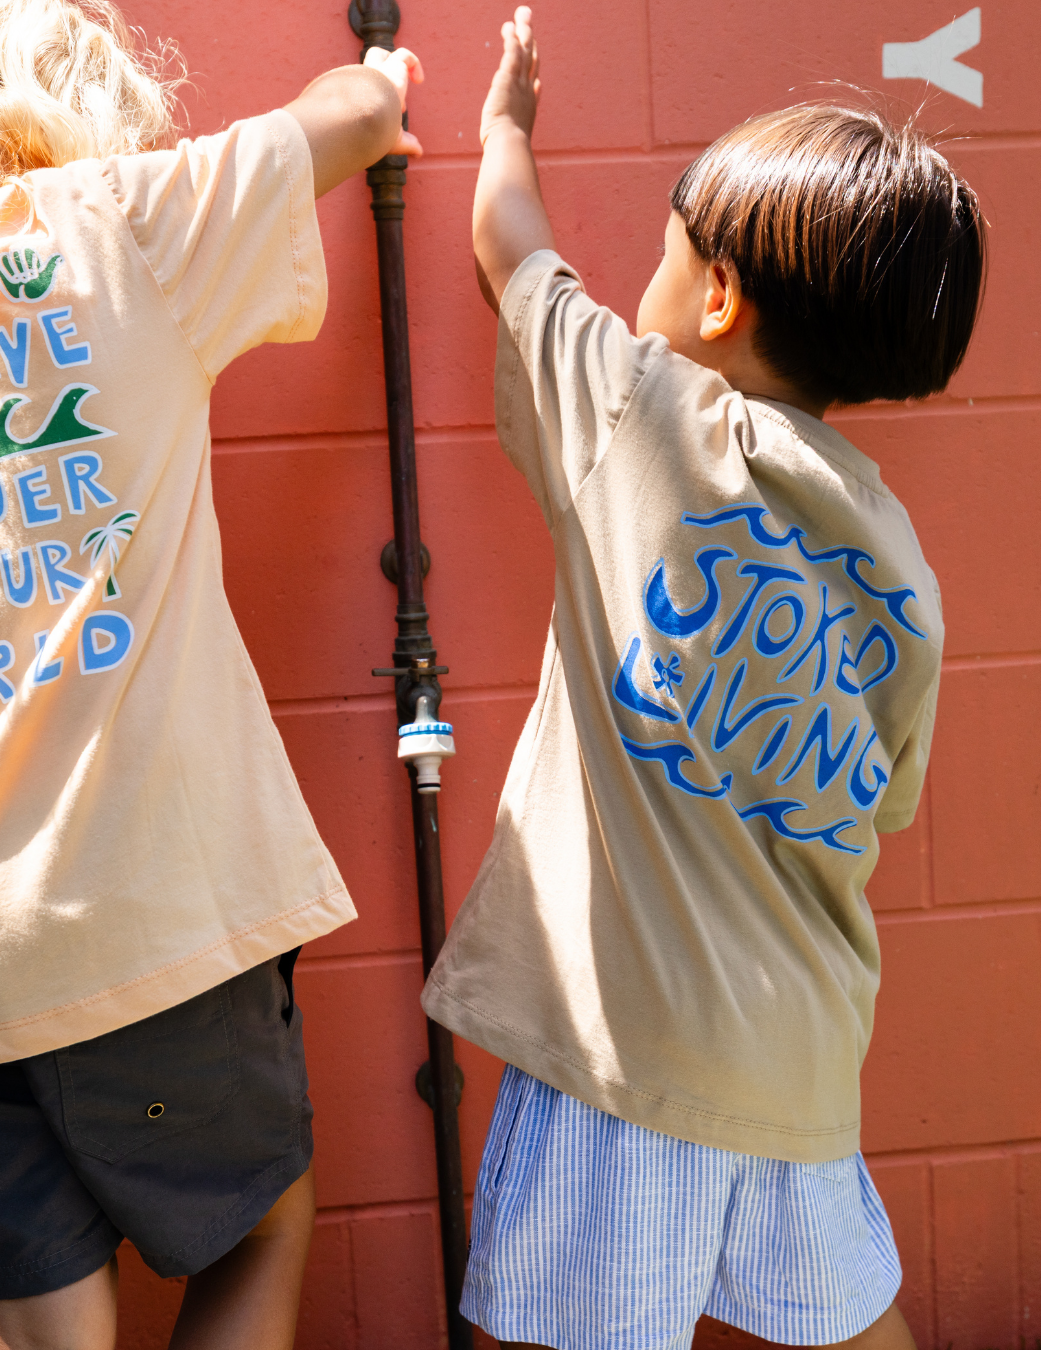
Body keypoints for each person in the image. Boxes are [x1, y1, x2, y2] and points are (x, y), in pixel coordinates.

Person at [421, 9, 985, 1349]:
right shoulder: (903, 571)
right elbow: (883, 801)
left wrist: (505, 124)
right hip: (800, 1057)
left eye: (667, 256)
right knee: (846, 1321)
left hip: (628, 1045)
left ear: (718, 297)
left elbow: (509, 246)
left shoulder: (635, 409)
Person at [0, 2, 423, 1347]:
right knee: (259, 1229)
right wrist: (389, 73)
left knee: (46, 1321)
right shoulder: (119, 221)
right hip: (143, 905)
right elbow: (350, 116)